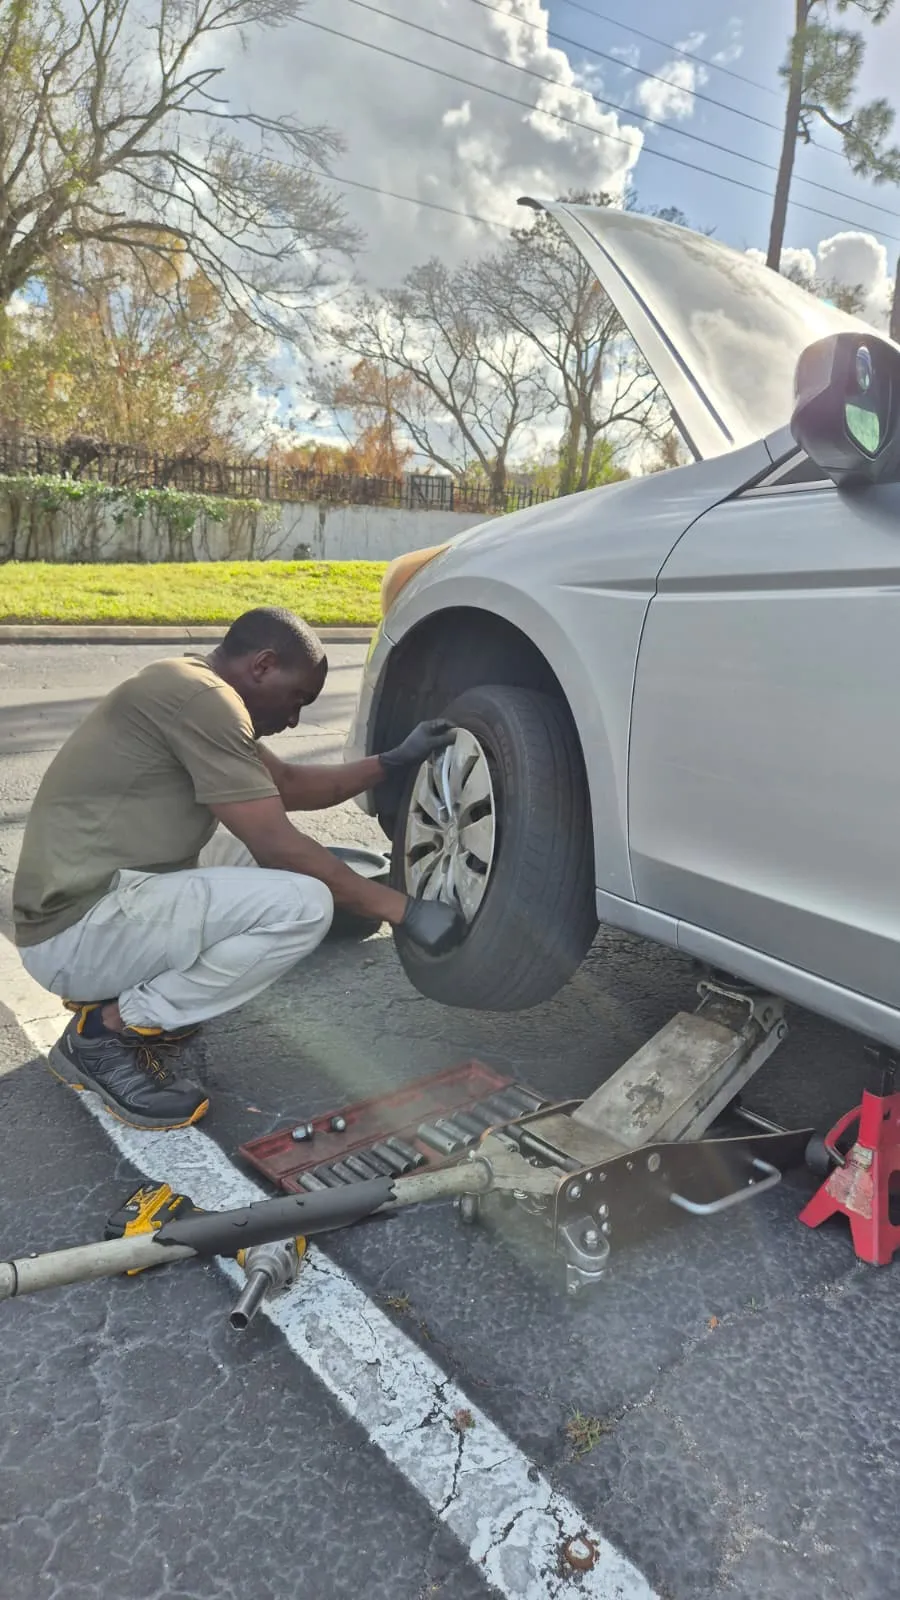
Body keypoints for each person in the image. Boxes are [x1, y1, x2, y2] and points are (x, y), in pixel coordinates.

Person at [13, 607, 464, 1131]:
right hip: (74, 930)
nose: (294, 721)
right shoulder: (205, 701)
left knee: (269, 865)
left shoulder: (189, 685)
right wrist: (402, 910)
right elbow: (277, 844)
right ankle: (106, 1030)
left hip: (100, 894)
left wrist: (390, 762)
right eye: (297, 699)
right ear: (264, 665)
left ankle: (132, 985)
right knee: (304, 904)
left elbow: (287, 784)